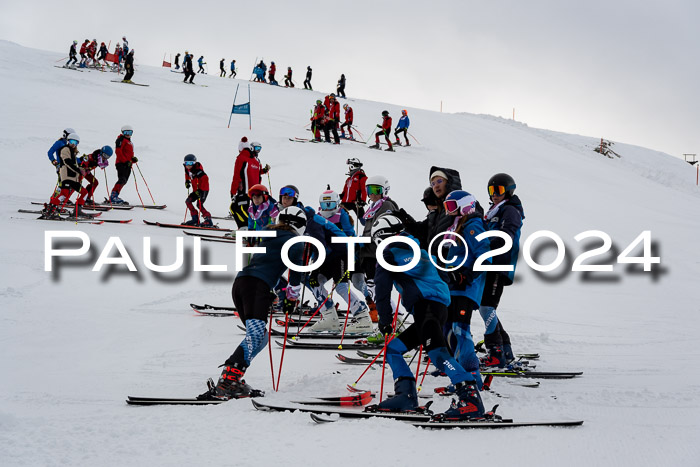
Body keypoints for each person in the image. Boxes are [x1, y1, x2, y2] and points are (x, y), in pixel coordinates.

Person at [368, 214, 486, 420]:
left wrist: (385, 321)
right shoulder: (419, 249)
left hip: (426, 308)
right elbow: (443, 275)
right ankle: (405, 395)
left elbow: (382, 288)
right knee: (394, 350)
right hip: (438, 308)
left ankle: (470, 398)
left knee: (438, 355)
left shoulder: (388, 254)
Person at [200, 206, 307, 400]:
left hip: (241, 284)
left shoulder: (268, 234)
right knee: (256, 335)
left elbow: (266, 262)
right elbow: (296, 273)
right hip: (256, 286)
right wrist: (291, 298)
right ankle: (227, 380)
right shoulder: (296, 242)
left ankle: (235, 378)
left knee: (261, 337)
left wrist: (270, 291)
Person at [440, 190, 490, 383]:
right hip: (452, 286)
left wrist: (466, 275)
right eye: (447, 207)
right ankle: (457, 371)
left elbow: (485, 256)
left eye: (452, 206)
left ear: (465, 206)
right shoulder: (455, 227)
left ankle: (471, 375)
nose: (449, 211)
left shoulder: (473, 225)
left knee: (460, 329)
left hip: (466, 287)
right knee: (447, 328)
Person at [308, 190, 372, 334]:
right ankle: (329, 317)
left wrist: (354, 252)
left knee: (341, 287)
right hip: (326, 258)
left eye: (331, 204)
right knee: (314, 281)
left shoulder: (341, 215)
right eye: (325, 204)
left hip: (342, 255)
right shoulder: (317, 218)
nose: (328, 208)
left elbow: (349, 235)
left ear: (337, 204)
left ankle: (362, 317)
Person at [479, 173, 524, 367]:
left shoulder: (510, 210)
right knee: (487, 307)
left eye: (498, 190)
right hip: (489, 263)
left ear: (508, 190)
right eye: (491, 190)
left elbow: (507, 235)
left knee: (487, 307)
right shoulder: (493, 211)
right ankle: (504, 350)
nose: (494, 194)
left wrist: (485, 244)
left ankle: (495, 353)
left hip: (499, 264)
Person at [354, 175, 399, 325]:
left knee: (377, 290)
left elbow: (381, 230)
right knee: (374, 290)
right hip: (368, 253)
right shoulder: (374, 206)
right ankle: (391, 319)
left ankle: (392, 319)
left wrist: (363, 240)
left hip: (376, 253)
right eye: (369, 190)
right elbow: (368, 229)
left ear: (384, 190)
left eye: (376, 190)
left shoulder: (386, 206)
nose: (372, 193)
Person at [229, 139, 270, 228]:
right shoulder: (253, 160)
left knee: (236, 208)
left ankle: (249, 228)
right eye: (256, 148)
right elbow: (251, 172)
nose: (258, 150)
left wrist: (232, 192)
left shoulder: (254, 160)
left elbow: (238, 175)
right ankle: (247, 228)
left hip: (247, 191)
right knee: (241, 208)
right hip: (251, 191)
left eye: (259, 148)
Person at [42, 133, 83, 218]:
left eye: (75, 142)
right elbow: (51, 153)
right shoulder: (62, 145)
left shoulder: (71, 149)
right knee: (62, 190)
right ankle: (52, 206)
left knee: (64, 191)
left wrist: (82, 160)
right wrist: (54, 161)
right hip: (64, 171)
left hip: (70, 173)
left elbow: (73, 161)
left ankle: (54, 206)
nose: (73, 144)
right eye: (72, 141)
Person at [182, 154, 213, 227]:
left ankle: (208, 220)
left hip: (203, 189)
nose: (188, 165)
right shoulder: (187, 169)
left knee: (199, 204)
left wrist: (200, 190)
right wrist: (187, 181)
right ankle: (195, 219)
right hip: (196, 190)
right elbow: (187, 174)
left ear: (194, 163)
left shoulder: (198, 171)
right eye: (187, 163)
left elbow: (205, 179)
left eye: (190, 163)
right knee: (188, 201)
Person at [109, 125, 137, 204]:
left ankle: (115, 195)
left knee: (124, 181)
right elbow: (118, 152)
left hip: (127, 164)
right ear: (122, 132)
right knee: (122, 179)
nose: (128, 134)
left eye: (130, 132)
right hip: (121, 163)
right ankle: (113, 196)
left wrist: (132, 160)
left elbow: (128, 154)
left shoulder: (129, 142)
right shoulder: (121, 140)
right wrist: (125, 161)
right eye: (126, 132)